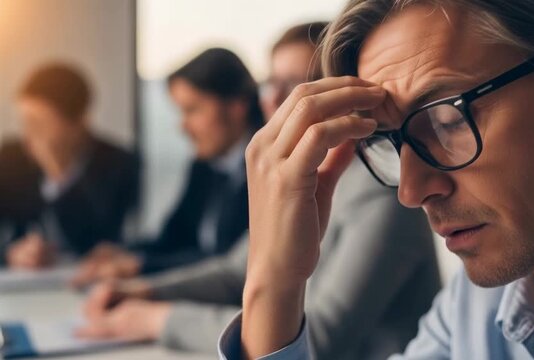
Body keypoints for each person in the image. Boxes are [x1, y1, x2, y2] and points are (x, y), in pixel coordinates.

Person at [215, 0, 534, 359]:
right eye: (387, 141)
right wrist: (274, 283)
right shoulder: (476, 310)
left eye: (445, 118)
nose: (411, 191)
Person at [76, 22, 442, 359]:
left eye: (298, 86)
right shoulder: (302, 178)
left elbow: (324, 338)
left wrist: (157, 319)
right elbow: (235, 269)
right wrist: (146, 291)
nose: (274, 100)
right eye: (273, 83)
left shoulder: (386, 190)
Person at [72, 48, 262, 284]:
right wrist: (124, 252)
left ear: (237, 106)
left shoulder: (267, 173)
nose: (183, 127)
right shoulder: (204, 166)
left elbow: (228, 261)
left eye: (192, 110)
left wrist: (142, 266)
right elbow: (173, 237)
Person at [0, 63, 139, 269]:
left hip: (85, 280)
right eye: (25, 121)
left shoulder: (119, 165)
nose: (29, 133)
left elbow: (98, 241)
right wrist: (10, 252)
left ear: (79, 122)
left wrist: (59, 175)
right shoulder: (11, 157)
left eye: (39, 123)